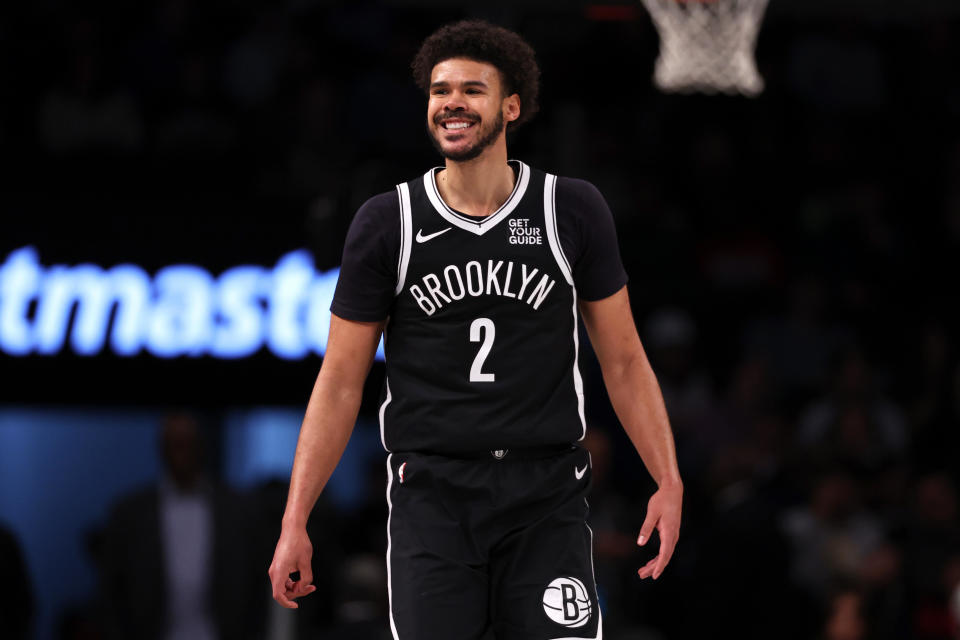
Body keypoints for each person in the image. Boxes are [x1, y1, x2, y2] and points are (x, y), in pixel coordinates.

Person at [268, 19, 683, 639]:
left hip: (545, 494)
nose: (452, 103)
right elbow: (339, 382)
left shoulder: (570, 210)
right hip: (434, 496)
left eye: (472, 90)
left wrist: (667, 478)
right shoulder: (388, 222)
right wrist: (295, 518)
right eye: (440, 91)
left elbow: (623, 361)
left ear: (511, 107)